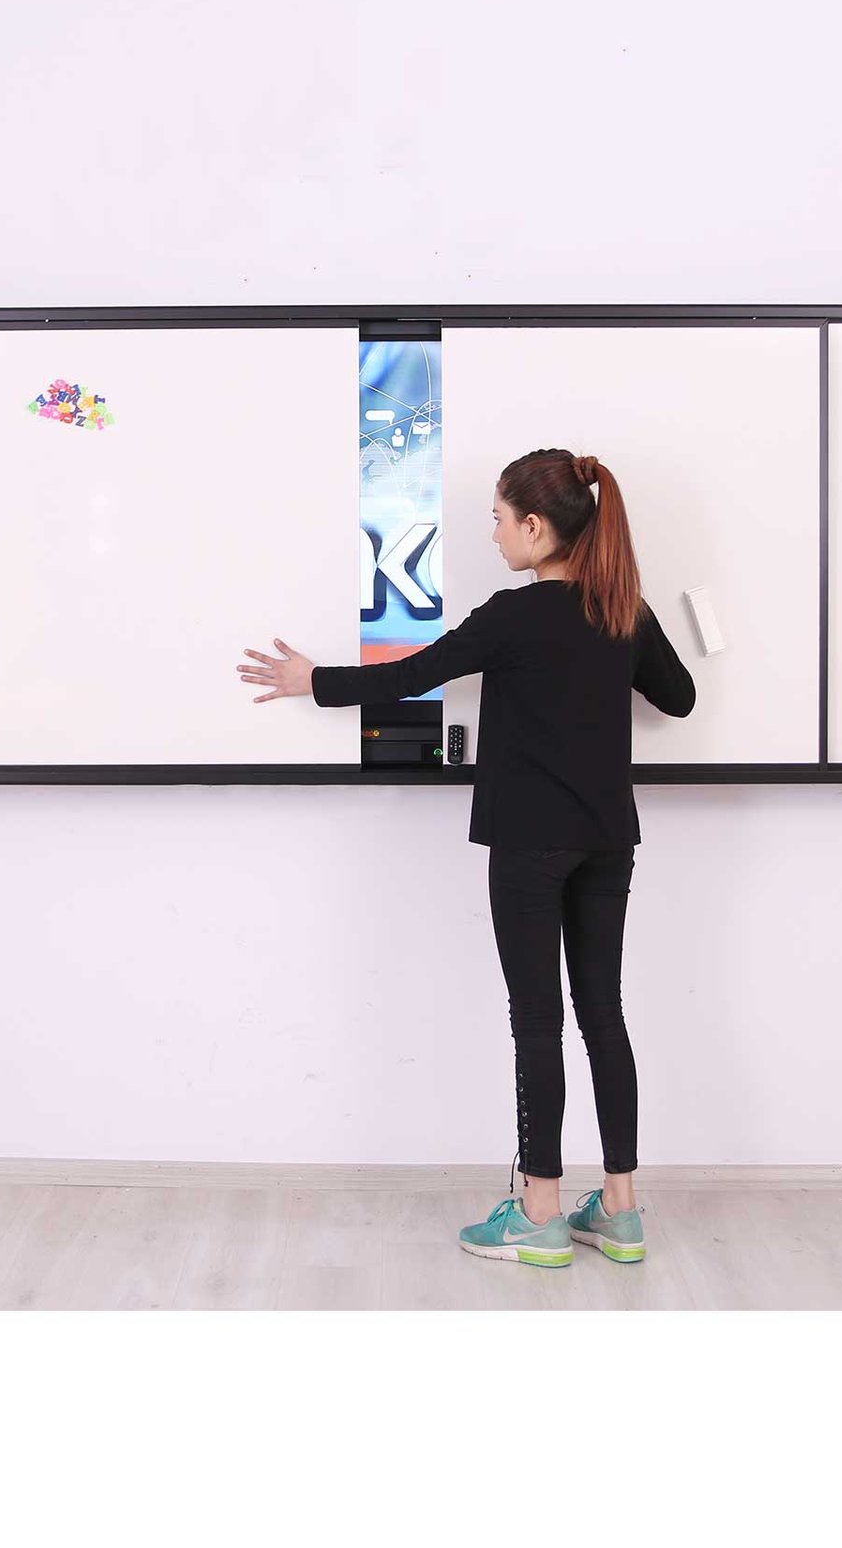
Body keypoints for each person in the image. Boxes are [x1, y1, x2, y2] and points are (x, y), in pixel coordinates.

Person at [236, 449, 696, 1270]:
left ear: (535, 526)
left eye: (497, 519)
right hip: (608, 841)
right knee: (603, 1013)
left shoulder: (514, 616)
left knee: (538, 1022)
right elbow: (680, 698)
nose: (492, 535)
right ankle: (621, 1211)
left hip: (529, 843)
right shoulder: (624, 608)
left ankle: (541, 1215)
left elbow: (414, 675)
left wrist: (314, 679)